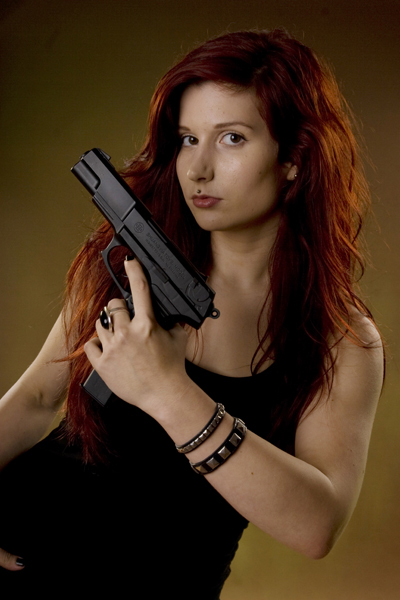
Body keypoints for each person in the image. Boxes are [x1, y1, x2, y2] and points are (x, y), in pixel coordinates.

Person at [0, 28, 384, 598]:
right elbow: (35, 399)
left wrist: (166, 391)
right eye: (187, 139)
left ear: (294, 159)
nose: (198, 169)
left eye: (231, 138)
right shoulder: (129, 263)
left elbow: (315, 526)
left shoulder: (339, 341)